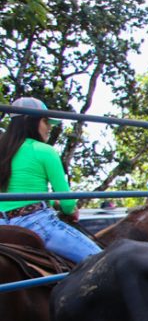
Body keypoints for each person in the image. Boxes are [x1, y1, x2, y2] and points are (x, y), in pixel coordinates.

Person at [0, 97, 101, 263]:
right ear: (30, 120)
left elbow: (17, 193)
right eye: (46, 122)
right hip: (37, 224)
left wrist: (53, 203)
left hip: (2, 225)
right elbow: (67, 201)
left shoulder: (3, 150)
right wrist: (70, 210)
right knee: (104, 263)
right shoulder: (44, 151)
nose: (49, 128)